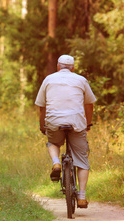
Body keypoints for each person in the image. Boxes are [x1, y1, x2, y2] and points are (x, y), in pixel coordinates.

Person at [35, 54, 97, 208]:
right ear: (73, 68)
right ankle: (82, 197)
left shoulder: (49, 79)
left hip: (54, 122)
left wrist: (42, 125)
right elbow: (89, 104)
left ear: (58, 66)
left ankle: (56, 163)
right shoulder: (81, 80)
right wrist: (87, 124)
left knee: (53, 142)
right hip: (76, 122)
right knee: (82, 159)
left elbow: (42, 106)